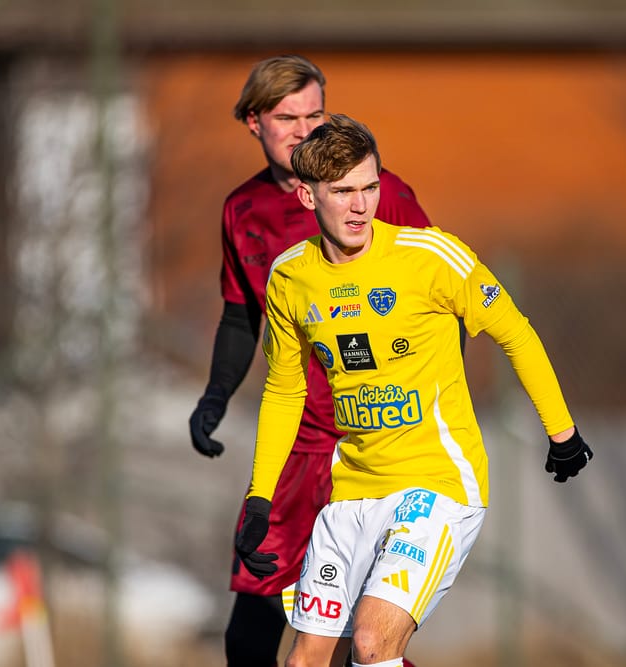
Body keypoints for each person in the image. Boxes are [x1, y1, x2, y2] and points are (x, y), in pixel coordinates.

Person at [234, 114, 593, 667]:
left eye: (370, 187)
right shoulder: (289, 277)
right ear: (307, 196)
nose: (360, 206)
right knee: (306, 661)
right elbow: (284, 389)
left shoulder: (431, 257)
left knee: (374, 642)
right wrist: (260, 496)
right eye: (343, 191)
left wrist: (561, 432)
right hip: (350, 492)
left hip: (436, 485)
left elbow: (515, 332)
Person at [188, 55, 431, 667]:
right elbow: (241, 316)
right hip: (296, 445)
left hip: (372, 441)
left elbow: (438, 300)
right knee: (250, 631)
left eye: (315, 113)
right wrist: (215, 395)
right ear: (253, 122)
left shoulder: (381, 192)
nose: (302, 128)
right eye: (286, 116)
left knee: (367, 643)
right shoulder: (241, 210)